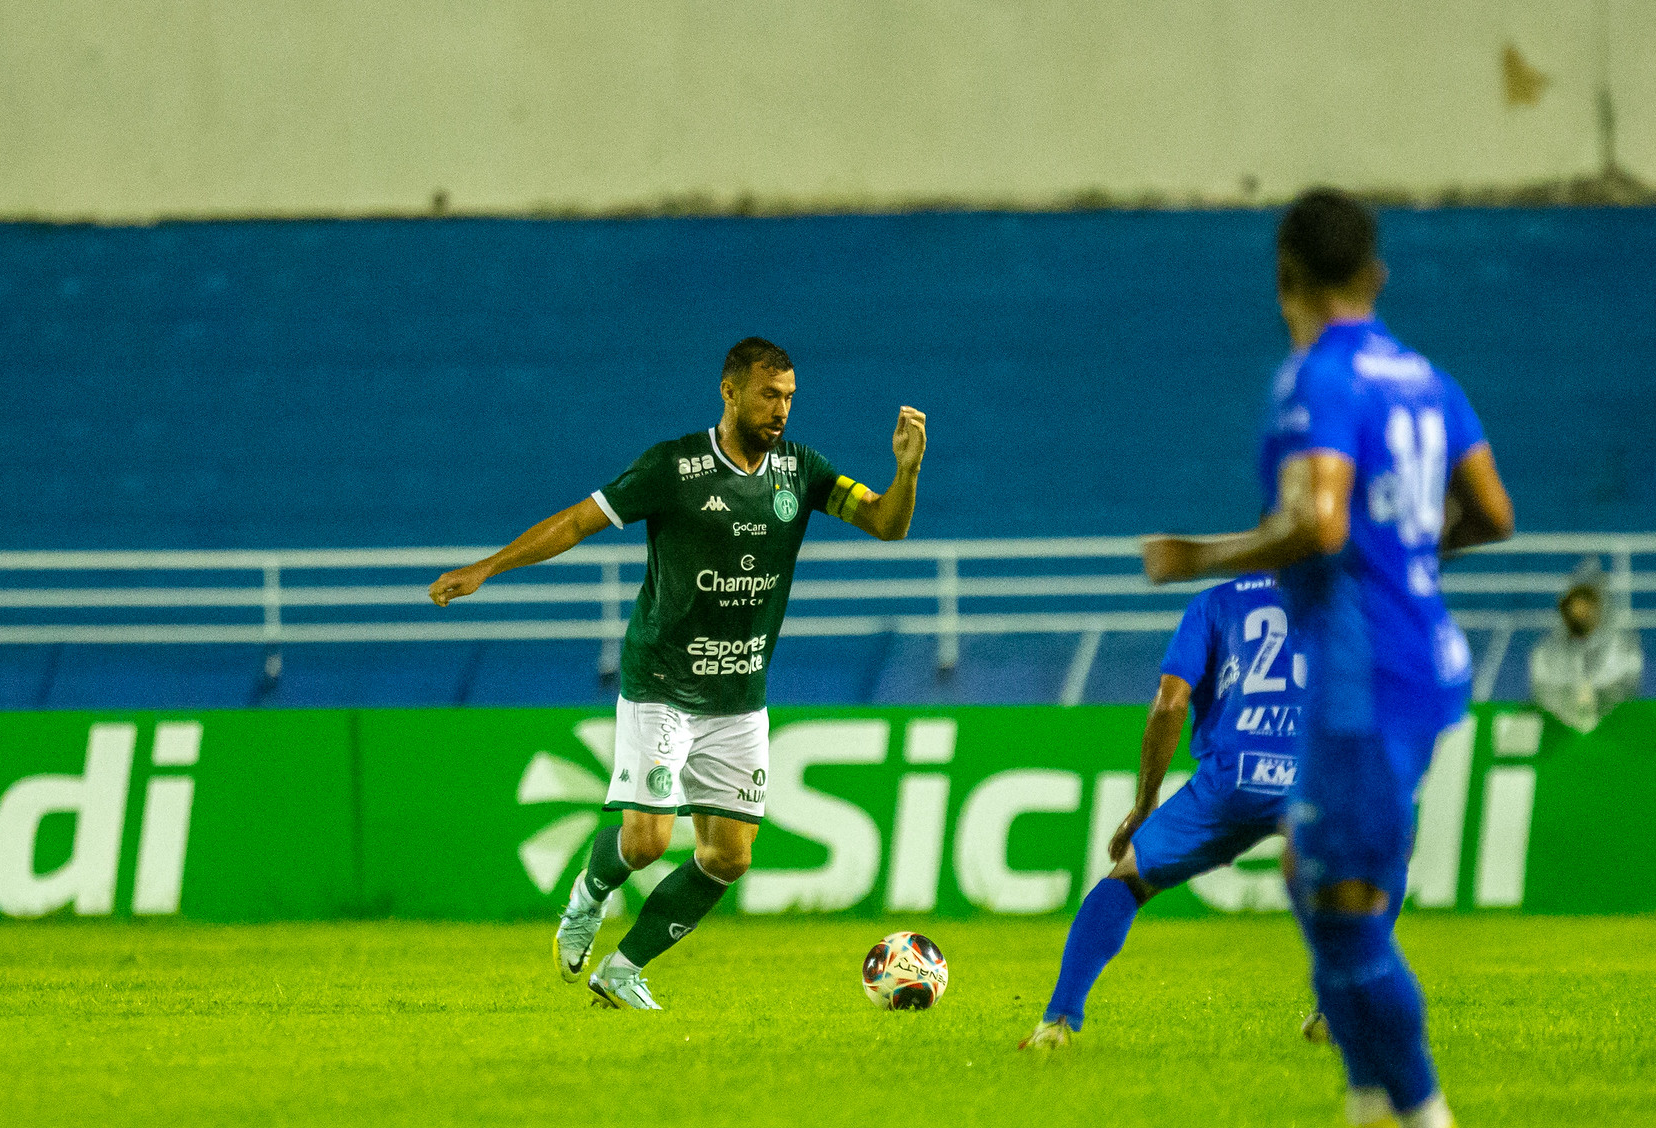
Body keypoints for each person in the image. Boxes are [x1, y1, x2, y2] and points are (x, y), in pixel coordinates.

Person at [1142, 189, 1515, 1128]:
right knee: (1313, 883)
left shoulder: (1319, 377)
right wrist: (1410, 561)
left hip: (1361, 669)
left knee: (1343, 907)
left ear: (1284, 278)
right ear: (1375, 274)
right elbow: (1490, 511)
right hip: (1418, 655)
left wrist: (1195, 558)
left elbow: (1316, 522)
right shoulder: (1425, 378)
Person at [428, 337, 928, 1009]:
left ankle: (622, 969)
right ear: (730, 392)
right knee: (647, 840)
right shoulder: (675, 467)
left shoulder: (801, 471)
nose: (780, 409)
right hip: (662, 683)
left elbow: (885, 525)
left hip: (740, 695)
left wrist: (906, 472)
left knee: (729, 857)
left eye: (788, 397)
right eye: (767, 395)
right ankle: (588, 894)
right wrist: (488, 567)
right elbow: (579, 520)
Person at [1019, 573, 1302, 1050]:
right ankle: (1339, 1011)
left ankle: (1057, 1020)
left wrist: (1145, 801)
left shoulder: (1215, 603)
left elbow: (1170, 704)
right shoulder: (1348, 592)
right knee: (1374, 867)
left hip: (1234, 778)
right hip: (1321, 770)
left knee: (1127, 877)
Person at [1530, 556, 1642, 732]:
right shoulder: (1546, 653)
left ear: (1600, 606)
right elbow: (1544, 693)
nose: (1581, 611)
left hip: (1613, 730)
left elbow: (1626, 691)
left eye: (1587, 603)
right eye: (1576, 602)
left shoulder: (1623, 650)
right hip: (1561, 732)